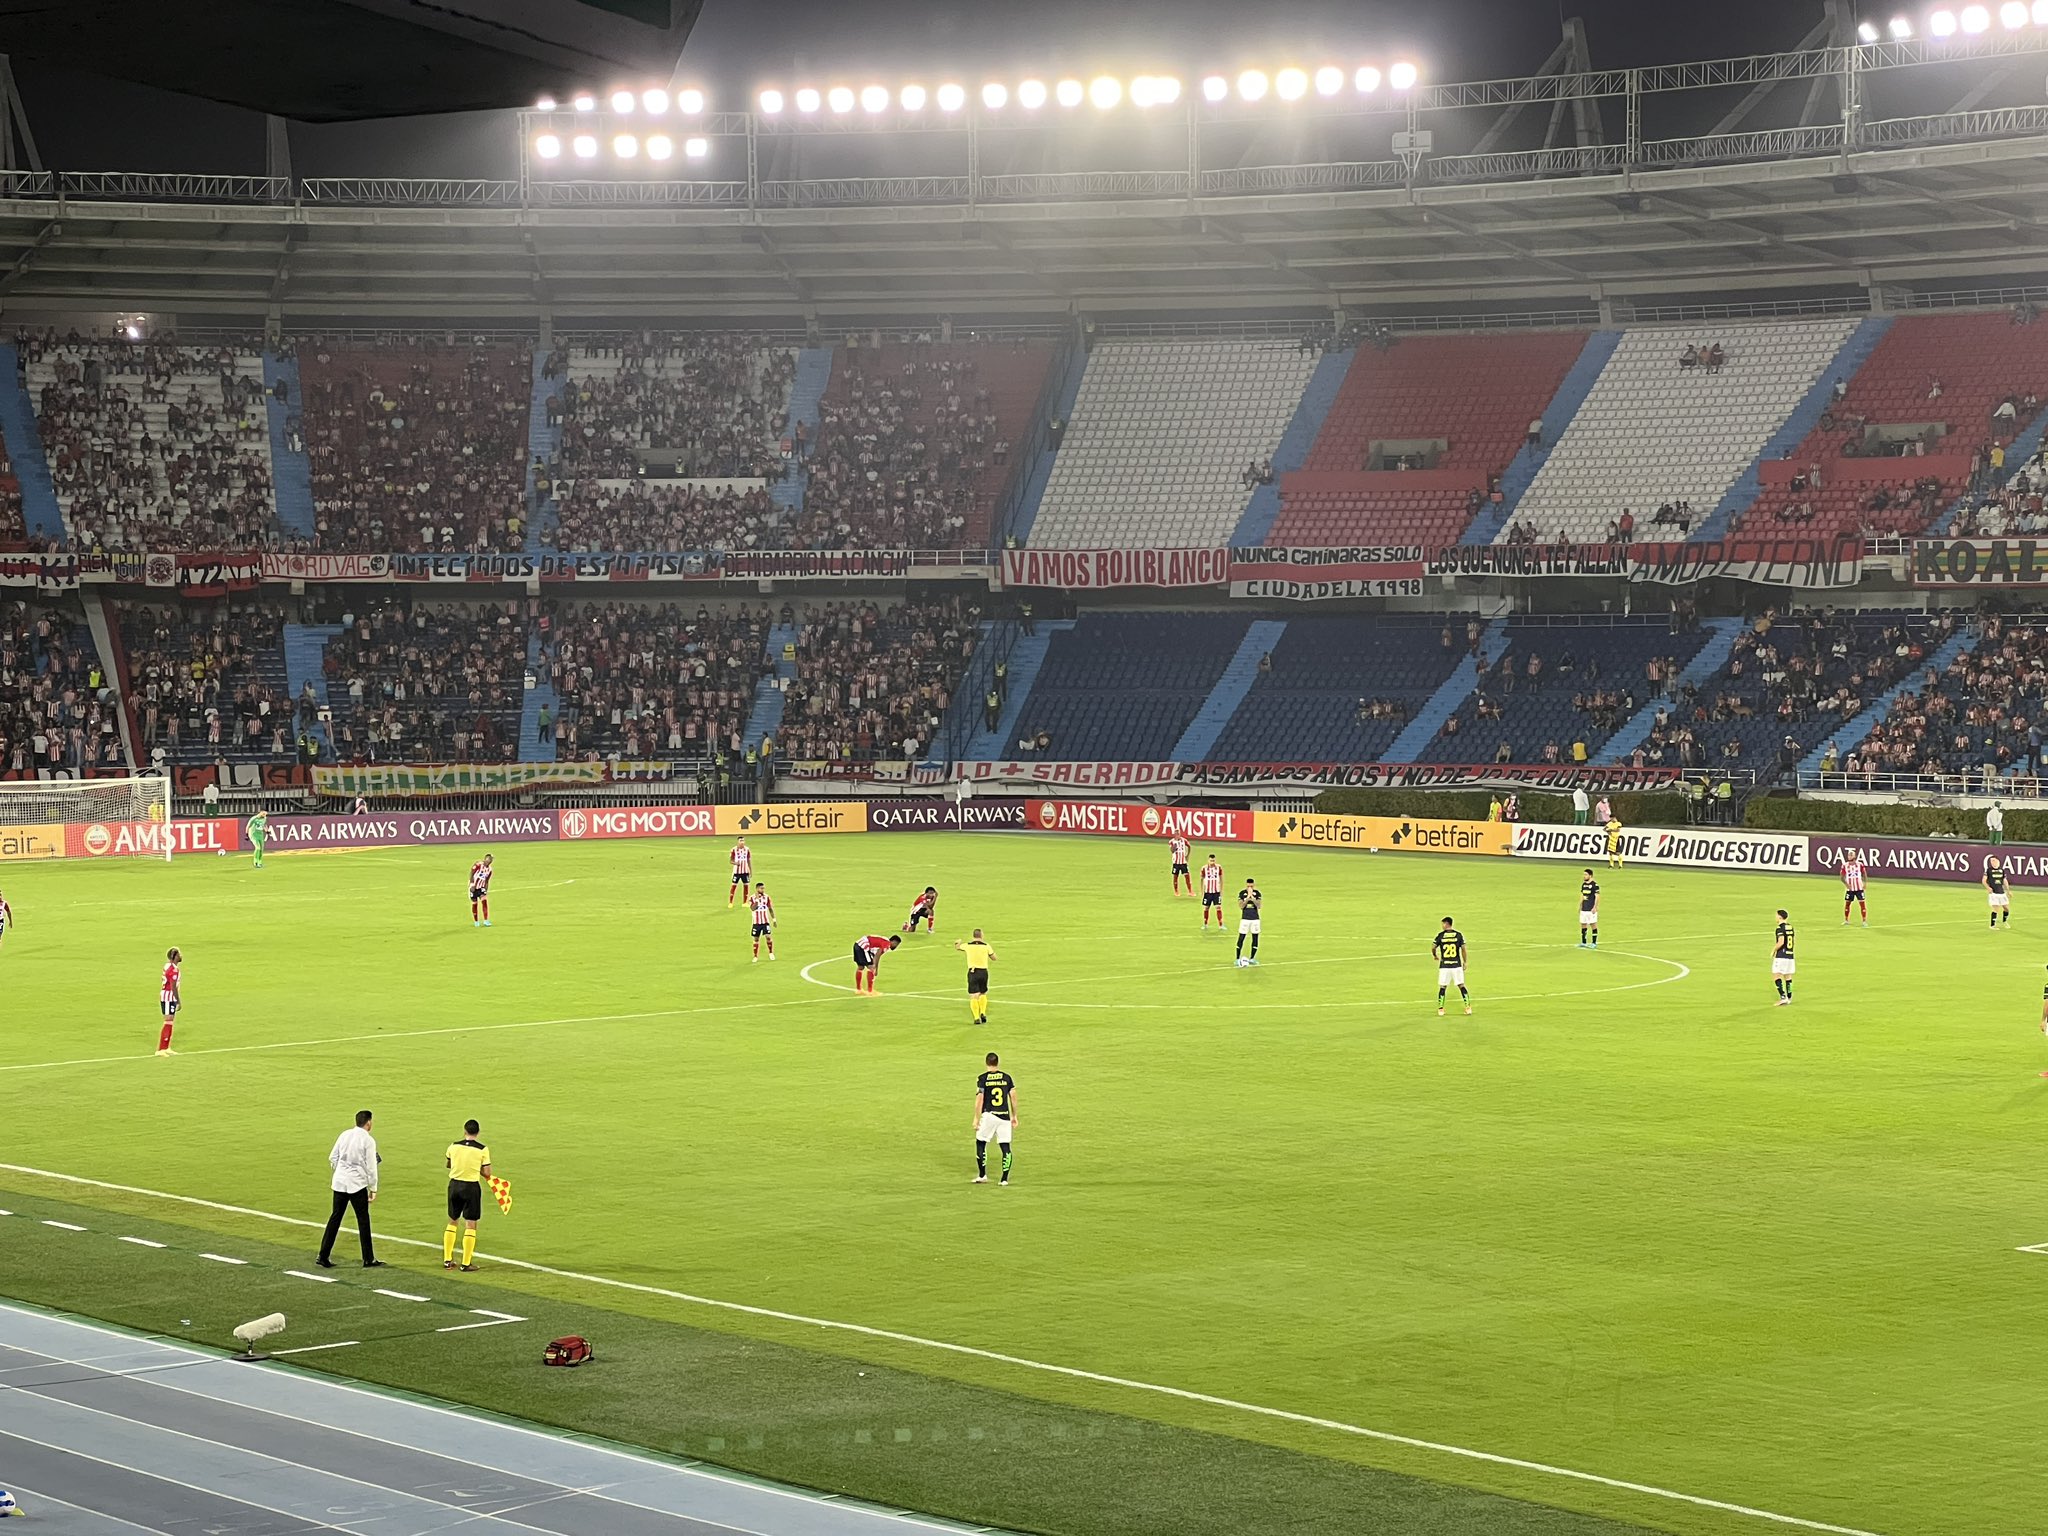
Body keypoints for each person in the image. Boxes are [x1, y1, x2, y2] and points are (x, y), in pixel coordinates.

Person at [317, 1108, 384, 1269]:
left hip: (340, 1182)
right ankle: (368, 1258)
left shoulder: (344, 1135)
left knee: (335, 1218)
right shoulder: (368, 1141)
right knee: (363, 1220)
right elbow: (371, 1166)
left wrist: (341, 1170)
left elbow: (333, 1157)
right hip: (356, 1185)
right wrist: (373, 1188)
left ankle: (323, 1255)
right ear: (368, 1123)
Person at [442, 1119, 490, 1272]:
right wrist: (477, 1169)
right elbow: (487, 1173)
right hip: (471, 1187)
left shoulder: (453, 1146)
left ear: (465, 1131)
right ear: (478, 1132)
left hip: (454, 1185)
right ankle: (466, 1263)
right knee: (471, 1223)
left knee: (452, 1220)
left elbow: (448, 1164)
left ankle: (447, 1260)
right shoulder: (482, 1149)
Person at [972, 1051, 1017, 1185]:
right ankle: (1004, 1179)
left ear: (986, 1063)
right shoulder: (1007, 1078)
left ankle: (982, 1175)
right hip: (1004, 1117)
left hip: (989, 1115)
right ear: (997, 1063)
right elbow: (1013, 1097)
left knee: (981, 1142)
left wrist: (976, 1118)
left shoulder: (983, 1078)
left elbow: (980, 1099)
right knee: (1005, 1147)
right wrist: (1014, 1115)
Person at [955, 927, 995, 1025]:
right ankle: (983, 1012)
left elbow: (958, 947)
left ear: (973, 936)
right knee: (982, 993)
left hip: (973, 972)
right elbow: (994, 958)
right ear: (981, 935)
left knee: (973, 995)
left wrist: (957, 942)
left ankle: (976, 1018)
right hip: (983, 971)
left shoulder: (968, 946)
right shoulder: (986, 946)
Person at [1434, 917, 1471, 1017]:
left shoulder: (1441, 936)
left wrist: (1435, 955)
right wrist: (1465, 962)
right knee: (1461, 986)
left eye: (1443, 924)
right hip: (1456, 965)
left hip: (1445, 966)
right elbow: (1463, 949)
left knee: (1443, 987)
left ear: (1446, 924)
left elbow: (1433, 947)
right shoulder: (1458, 935)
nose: (1442, 926)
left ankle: (1441, 1009)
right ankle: (1468, 1007)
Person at [156, 946, 182, 1055]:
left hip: (167, 995)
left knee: (170, 1022)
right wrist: (178, 1001)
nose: (181, 956)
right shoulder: (173, 970)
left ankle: (166, 1047)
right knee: (168, 1021)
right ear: (174, 957)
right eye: (179, 954)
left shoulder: (168, 966)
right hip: (168, 996)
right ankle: (161, 1049)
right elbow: (173, 987)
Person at [1234, 878, 1262, 967]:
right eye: (1248, 886)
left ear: (1254, 885)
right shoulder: (1242, 893)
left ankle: (1252, 958)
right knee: (1241, 937)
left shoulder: (1257, 894)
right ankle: (1237, 958)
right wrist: (1247, 898)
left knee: (1255, 938)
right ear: (1246, 885)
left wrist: (1252, 898)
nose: (1250, 887)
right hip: (1245, 919)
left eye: (1251, 886)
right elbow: (1241, 906)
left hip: (1255, 919)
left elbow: (1259, 905)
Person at [1771, 909, 1796, 1006]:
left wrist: (1774, 950)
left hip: (1782, 956)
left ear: (1780, 917)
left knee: (1776, 976)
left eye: (1776, 915)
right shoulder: (1790, 927)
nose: (1775, 917)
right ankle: (1789, 998)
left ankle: (1783, 997)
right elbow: (1793, 941)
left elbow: (1781, 942)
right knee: (1788, 977)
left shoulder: (1780, 928)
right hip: (1790, 955)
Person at [748, 882, 776, 962]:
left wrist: (774, 919)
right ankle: (755, 956)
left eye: (763, 888)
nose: (763, 890)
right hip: (756, 923)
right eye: (761, 888)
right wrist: (757, 900)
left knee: (768, 936)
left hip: (765, 922)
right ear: (757, 889)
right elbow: (753, 908)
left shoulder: (767, 897)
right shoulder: (752, 898)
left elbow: (770, 908)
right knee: (756, 939)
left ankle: (771, 953)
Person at [1985, 856, 2012, 929]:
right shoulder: (1989, 870)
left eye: (1993, 860)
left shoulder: (2002, 870)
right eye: (1991, 861)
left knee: (2006, 908)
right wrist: (1988, 888)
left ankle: (2004, 921)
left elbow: (2005, 881)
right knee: (1996, 909)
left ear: (1997, 861)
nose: (1992, 862)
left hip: (2002, 893)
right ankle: (1992, 925)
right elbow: (1983, 880)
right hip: (1993, 893)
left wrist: (2008, 891)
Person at [1200, 853, 1226, 931]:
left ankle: (1221, 925)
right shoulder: (1204, 868)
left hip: (1216, 892)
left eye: (1213, 860)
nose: (1212, 862)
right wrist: (1202, 891)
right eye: (1211, 860)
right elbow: (1201, 880)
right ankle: (1205, 924)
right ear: (1208, 860)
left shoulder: (1219, 868)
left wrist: (1221, 890)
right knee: (1206, 908)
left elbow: (1221, 879)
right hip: (1207, 892)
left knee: (1218, 907)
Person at [1841, 854, 1868, 927]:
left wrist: (1865, 883)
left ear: (1854, 856)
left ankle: (1864, 921)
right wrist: (1847, 885)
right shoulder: (1845, 865)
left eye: (1851, 855)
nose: (1849, 856)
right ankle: (1846, 920)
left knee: (1862, 904)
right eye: (1849, 855)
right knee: (1847, 904)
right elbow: (1842, 877)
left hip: (1859, 888)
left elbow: (1864, 874)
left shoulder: (1860, 864)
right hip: (1850, 889)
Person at [469, 854, 494, 927]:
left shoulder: (490, 869)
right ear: (486, 859)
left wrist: (486, 889)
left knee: (484, 901)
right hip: (473, 887)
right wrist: (472, 884)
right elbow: (471, 874)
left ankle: (486, 920)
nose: (490, 861)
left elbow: (487, 880)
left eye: (491, 860)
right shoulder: (478, 865)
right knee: (475, 903)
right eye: (489, 859)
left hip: (481, 887)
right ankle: (476, 921)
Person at [727, 836, 753, 907]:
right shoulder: (733, 850)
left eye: (743, 841)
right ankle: (731, 902)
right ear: (738, 842)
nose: (742, 842)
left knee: (746, 886)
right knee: (733, 886)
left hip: (745, 871)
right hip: (737, 872)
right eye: (741, 841)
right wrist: (736, 863)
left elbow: (748, 860)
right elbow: (731, 861)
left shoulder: (747, 849)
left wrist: (750, 871)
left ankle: (744, 903)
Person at [1578, 869, 1600, 948]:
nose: (1584, 876)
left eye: (1586, 875)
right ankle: (1583, 942)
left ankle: (1594, 943)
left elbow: (1597, 897)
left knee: (1593, 924)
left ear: (1590, 875)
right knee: (1583, 924)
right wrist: (1580, 905)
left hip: (1591, 909)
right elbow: (1582, 895)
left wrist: (1595, 907)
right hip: (1584, 908)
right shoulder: (1583, 885)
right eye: (1584, 874)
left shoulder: (1595, 885)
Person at [0, 888, 12, 955]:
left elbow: (8, 912)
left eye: (1, 895)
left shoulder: (4, 903)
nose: (0, 896)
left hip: (0, 921)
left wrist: (10, 921)